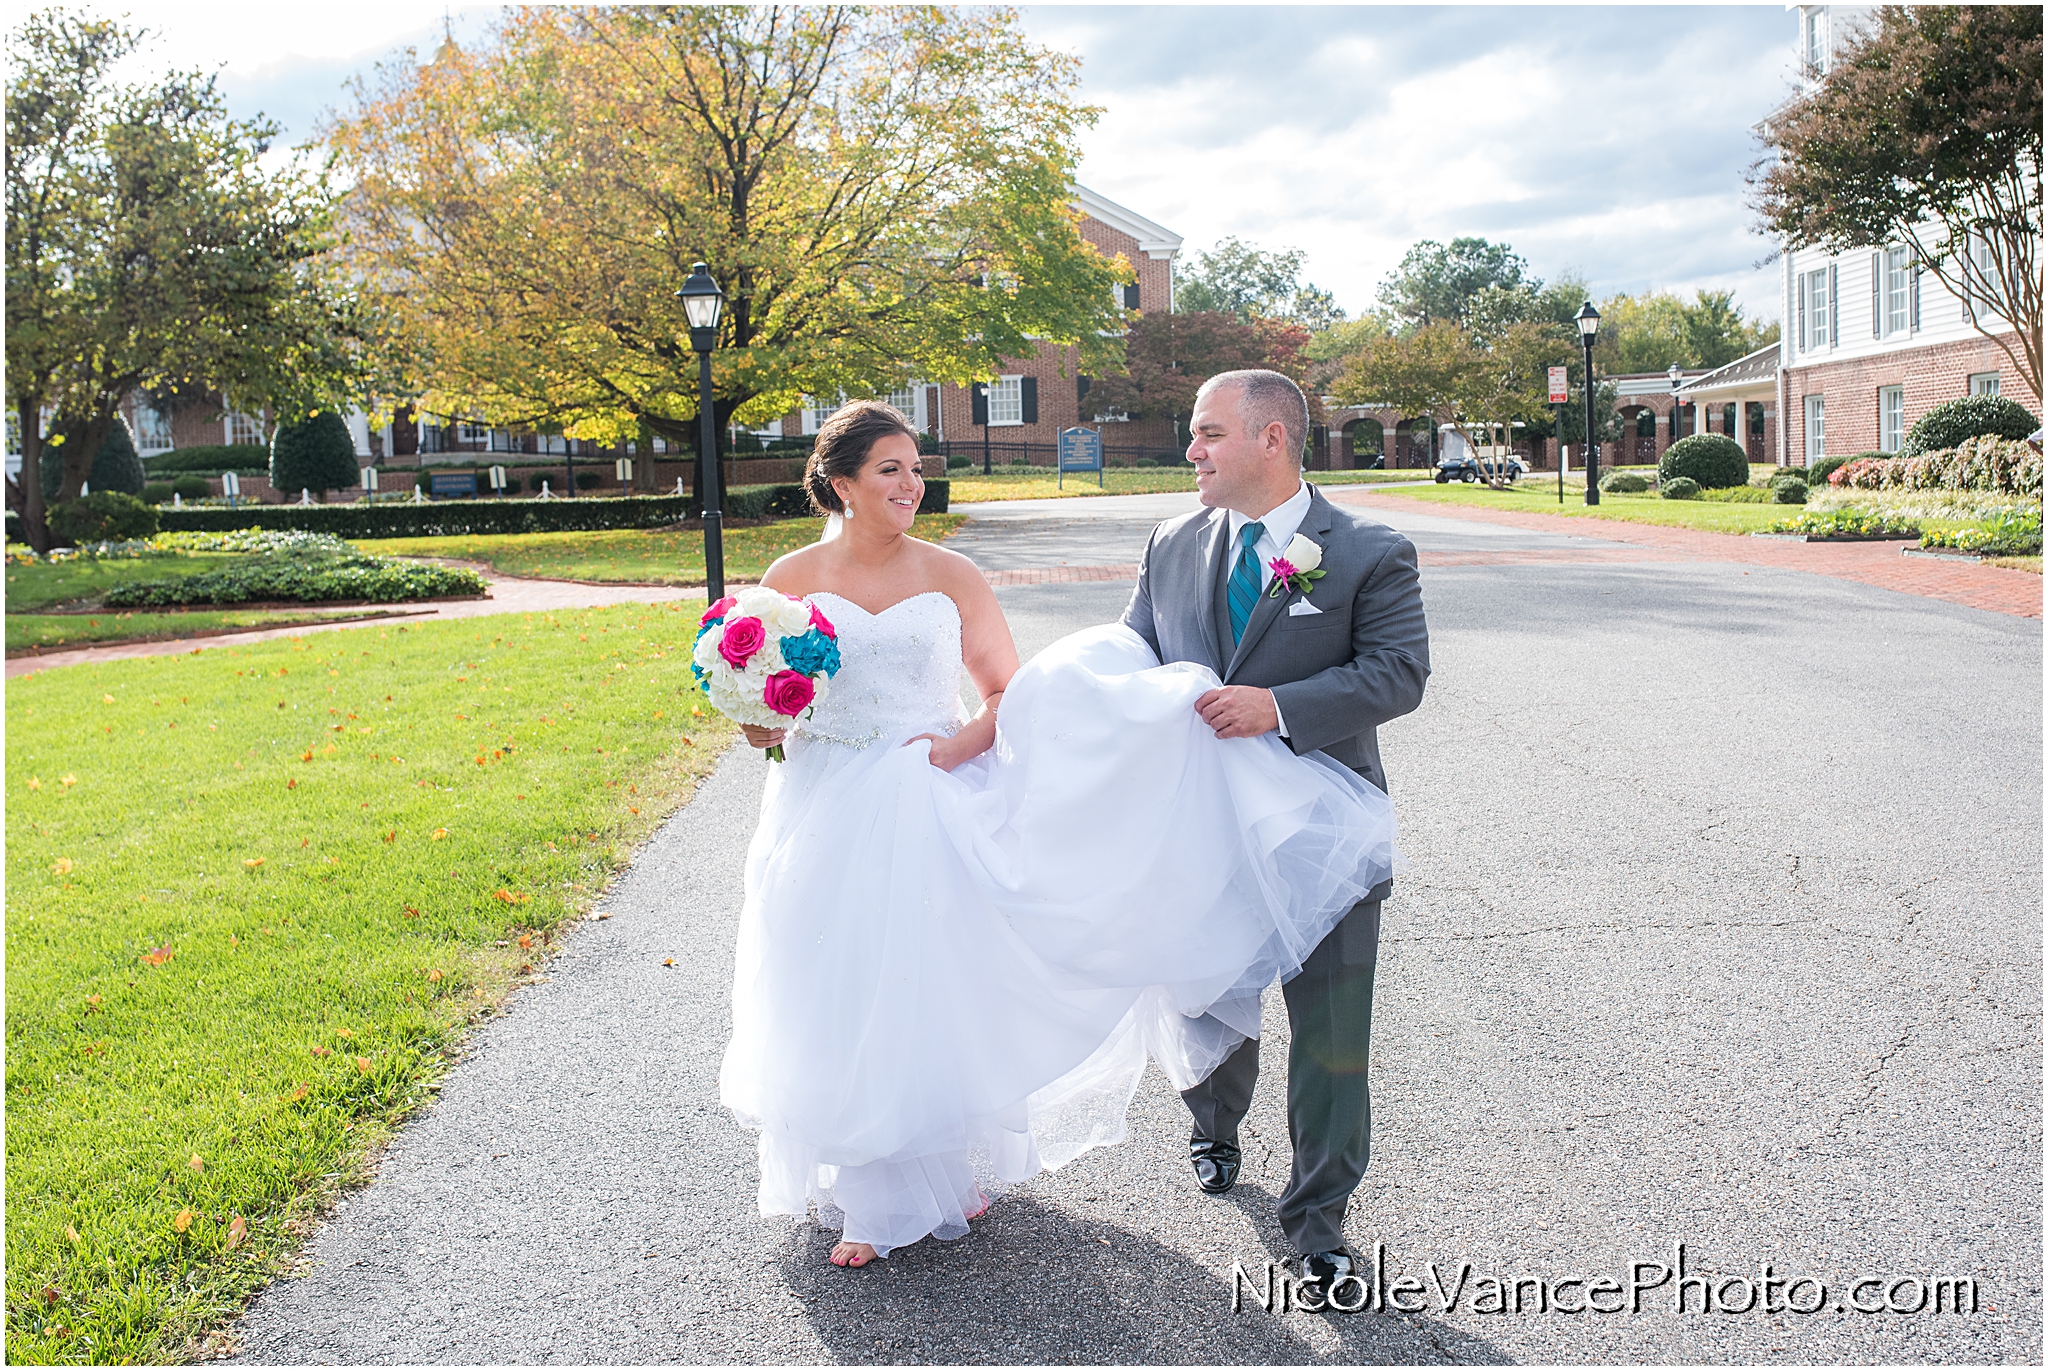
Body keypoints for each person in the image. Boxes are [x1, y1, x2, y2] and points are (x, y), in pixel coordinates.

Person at [718, 399, 1406, 1270]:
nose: (911, 484)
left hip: (942, 794)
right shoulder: (790, 574)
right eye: (890, 469)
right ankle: (871, 1181)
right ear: (841, 481)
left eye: (917, 469)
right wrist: (760, 719)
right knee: (835, 978)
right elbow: (767, 695)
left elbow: (1008, 692)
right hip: (824, 803)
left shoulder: (952, 574)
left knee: (921, 984)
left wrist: (954, 748)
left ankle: (1313, 1223)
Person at [1121, 369, 1430, 1296]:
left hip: (1323, 828)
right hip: (1203, 825)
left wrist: (1278, 707)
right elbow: (1134, 650)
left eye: (1208, 433)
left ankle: (1319, 1215)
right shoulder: (1171, 542)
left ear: (1272, 440)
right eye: (1193, 433)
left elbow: (1399, 673)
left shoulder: (1371, 549)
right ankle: (1213, 1128)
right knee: (1209, 985)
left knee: (1332, 1025)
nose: (1192, 451)